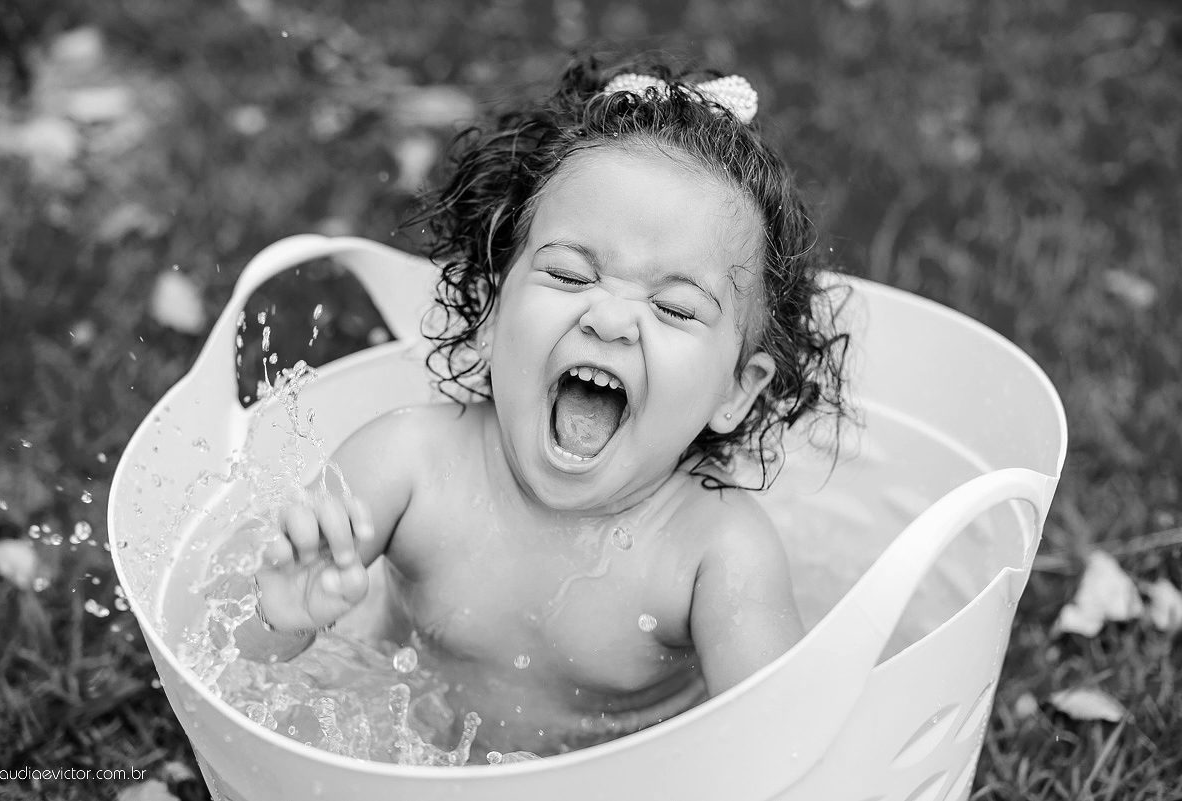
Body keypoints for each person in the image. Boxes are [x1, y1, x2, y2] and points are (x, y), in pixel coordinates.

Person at [231, 53, 849, 758]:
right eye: (569, 273)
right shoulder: (406, 466)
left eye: (676, 309)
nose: (610, 320)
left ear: (736, 389)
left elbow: (785, 750)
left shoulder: (717, 551)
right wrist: (281, 615)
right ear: (493, 311)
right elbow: (239, 673)